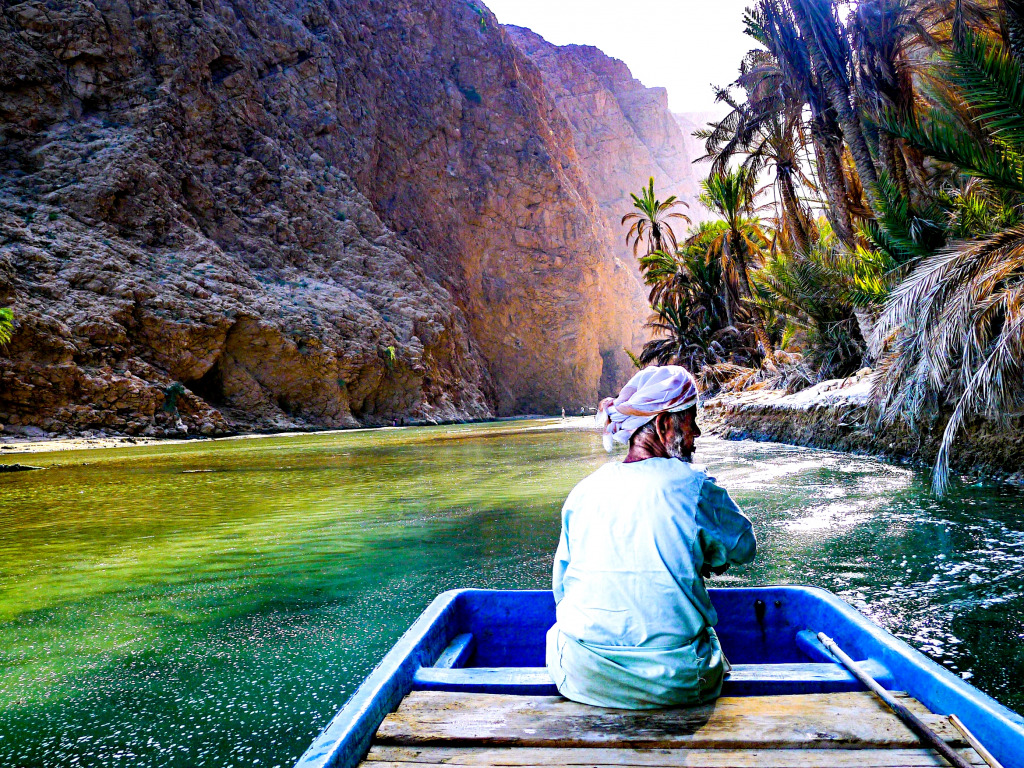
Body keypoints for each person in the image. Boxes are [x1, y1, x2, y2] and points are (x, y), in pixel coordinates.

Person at [546, 365, 756, 709]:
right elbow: (743, 548)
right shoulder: (694, 486)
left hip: (581, 676)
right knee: (708, 642)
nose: (697, 433)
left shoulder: (583, 492)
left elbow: (563, 589)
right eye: (690, 420)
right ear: (663, 425)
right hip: (676, 682)